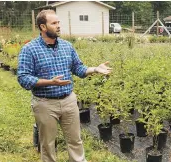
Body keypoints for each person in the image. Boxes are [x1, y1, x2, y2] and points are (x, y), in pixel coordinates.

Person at [17, 9, 112, 162]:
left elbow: (78, 69)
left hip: (69, 101)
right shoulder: (29, 49)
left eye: (59, 22)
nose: (59, 26)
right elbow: (23, 78)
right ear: (43, 27)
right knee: (48, 144)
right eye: (54, 23)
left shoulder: (67, 46)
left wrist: (95, 69)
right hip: (45, 104)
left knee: (75, 141)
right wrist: (50, 82)